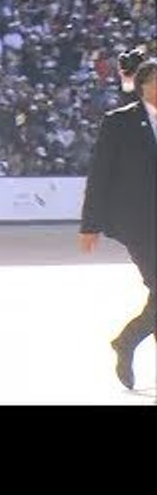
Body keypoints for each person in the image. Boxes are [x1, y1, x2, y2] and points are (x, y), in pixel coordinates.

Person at [79, 59, 157, 390]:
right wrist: (90, 224)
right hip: (139, 223)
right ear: (143, 85)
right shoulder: (120, 122)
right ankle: (128, 341)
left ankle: (127, 342)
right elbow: (100, 173)